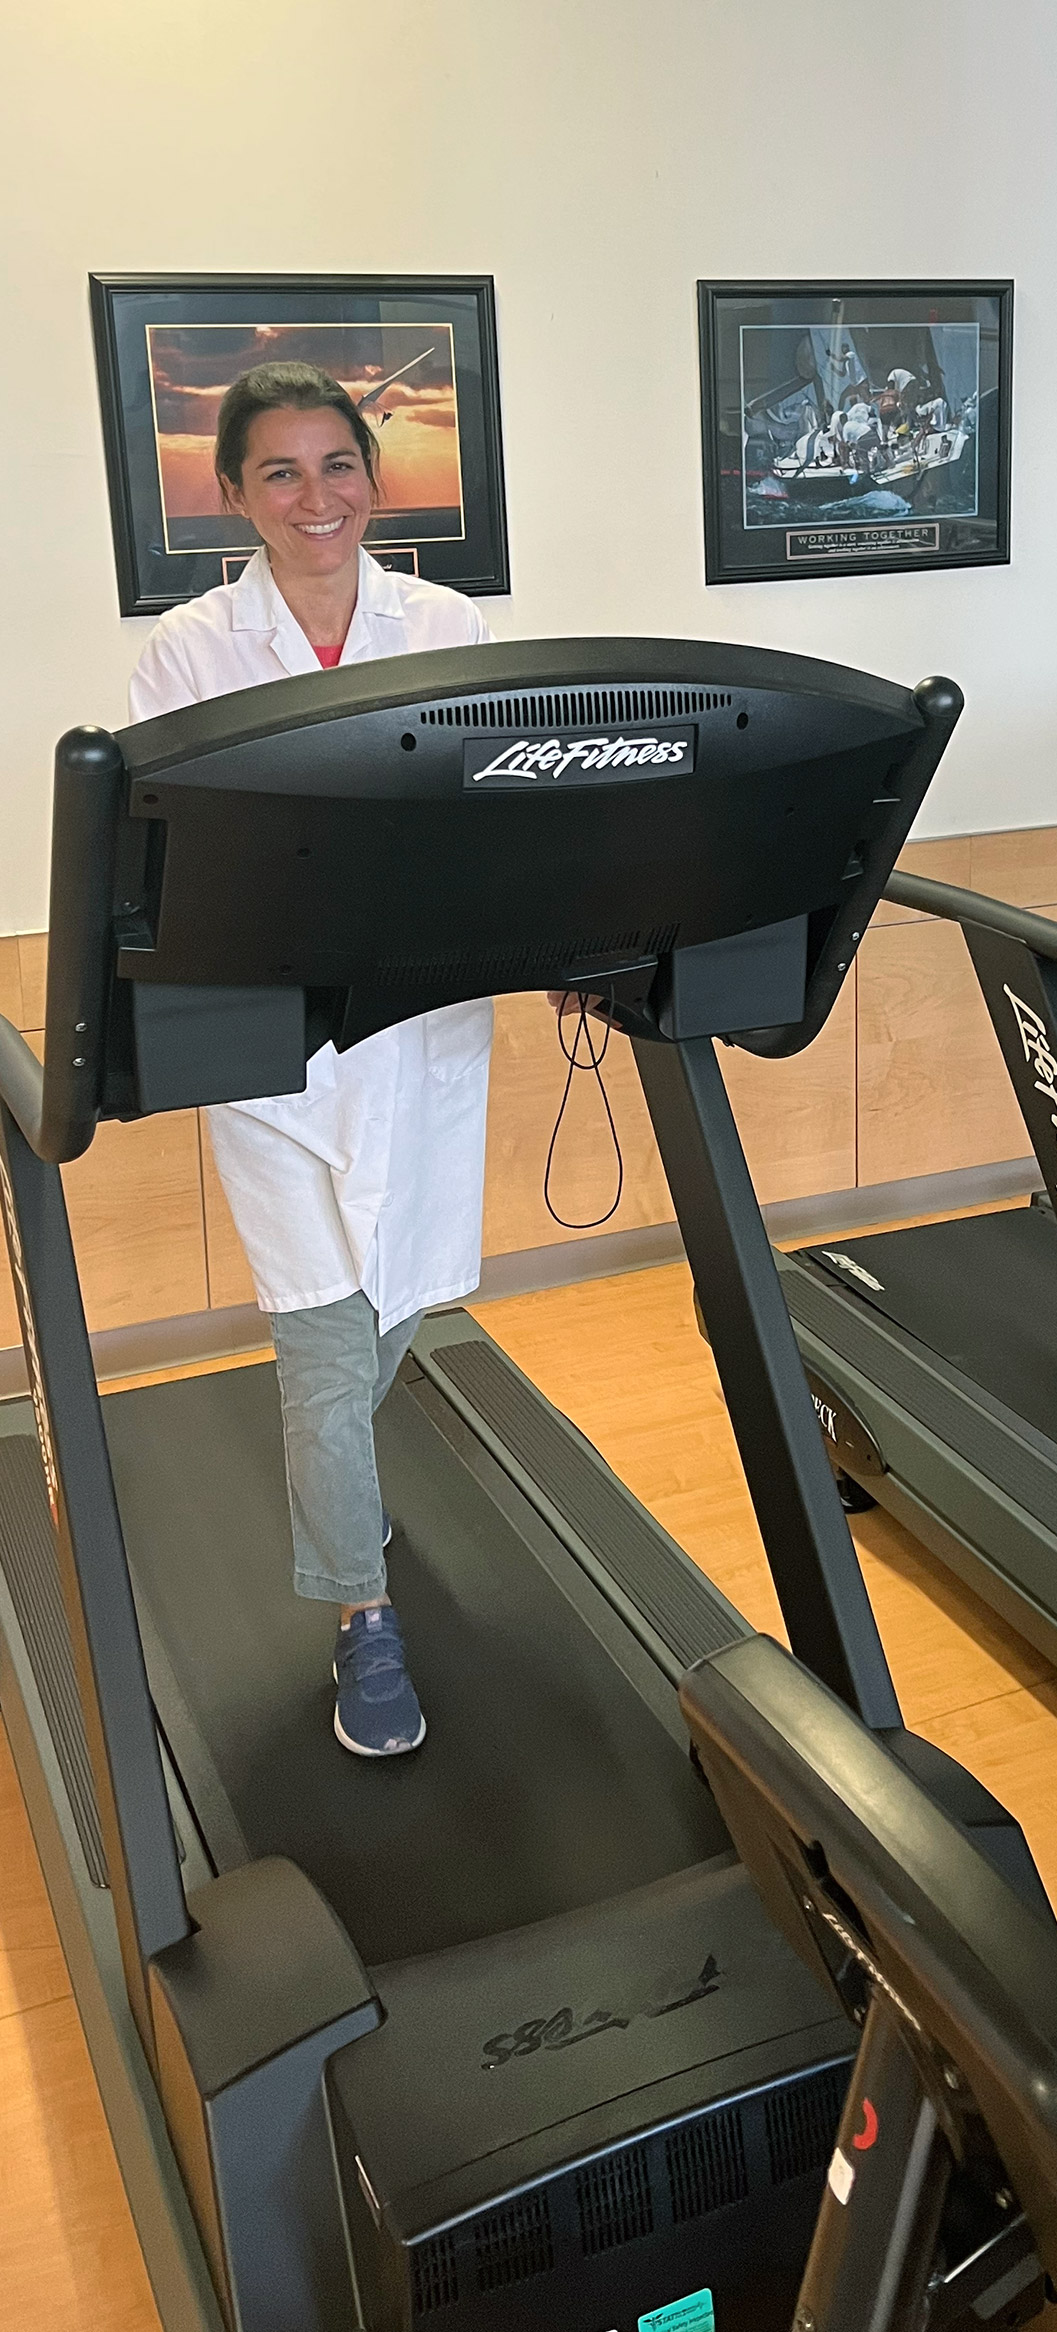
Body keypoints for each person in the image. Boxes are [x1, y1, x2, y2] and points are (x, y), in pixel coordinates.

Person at [129, 360, 493, 1752]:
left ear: (373, 478)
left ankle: (342, 1499)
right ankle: (363, 1616)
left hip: (420, 1026)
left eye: (336, 466)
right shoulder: (190, 651)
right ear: (233, 497)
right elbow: (170, 845)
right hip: (271, 1043)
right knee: (327, 1349)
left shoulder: (446, 624)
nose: (314, 497)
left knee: (395, 1305)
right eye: (277, 473)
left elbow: (489, 835)